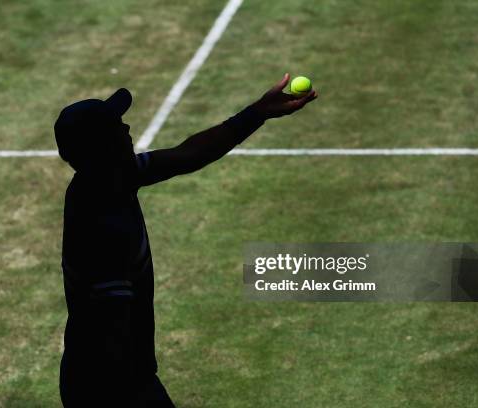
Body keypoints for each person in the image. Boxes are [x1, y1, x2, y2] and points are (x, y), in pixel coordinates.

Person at [54, 73, 317, 407]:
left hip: (115, 378)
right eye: (117, 126)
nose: (127, 128)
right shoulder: (105, 227)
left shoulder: (107, 178)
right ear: (104, 146)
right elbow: (112, 328)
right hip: (110, 386)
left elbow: (188, 154)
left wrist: (258, 112)